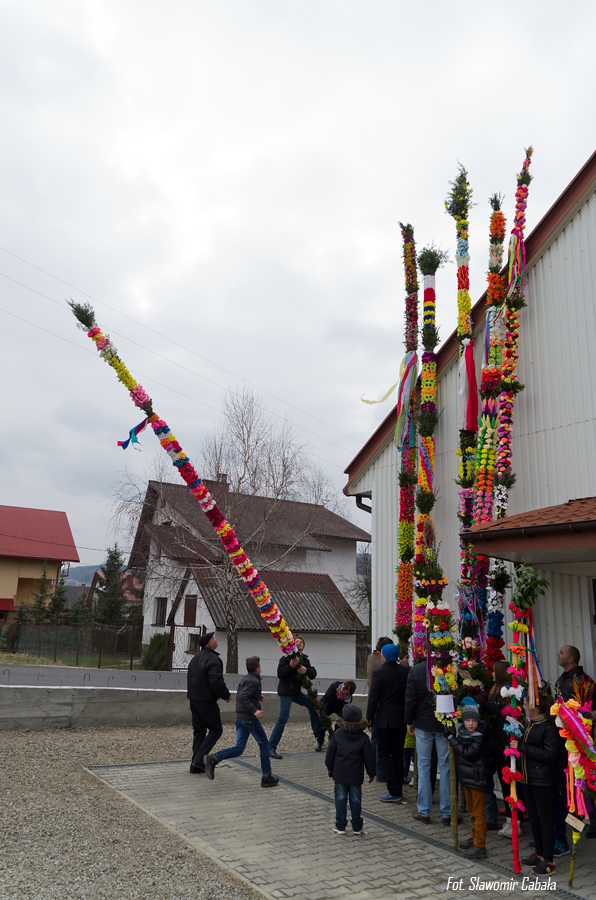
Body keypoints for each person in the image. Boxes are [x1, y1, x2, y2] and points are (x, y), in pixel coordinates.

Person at [203, 656, 279, 787]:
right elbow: (243, 697)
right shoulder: (253, 681)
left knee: (239, 749)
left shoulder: (246, 679)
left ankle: (214, 758)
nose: (260, 669)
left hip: (240, 718)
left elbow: (244, 695)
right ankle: (266, 776)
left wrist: (257, 697)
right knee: (264, 744)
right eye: (260, 666)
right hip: (249, 719)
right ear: (257, 669)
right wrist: (254, 710)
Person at [404, 654, 455, 826]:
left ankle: (424, 811)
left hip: (423, 723)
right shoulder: (449, 669)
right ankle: (447, 812)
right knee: (446, 767)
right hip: (444, 724)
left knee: (424, 766)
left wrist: (408, 721)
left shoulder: (416, 670)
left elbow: (410, 699)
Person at [555, 645, 596, 842]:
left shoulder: (583, 681)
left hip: (579, 743)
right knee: (569, 786)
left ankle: (593, 824)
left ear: (571, 659)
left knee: (584, 783)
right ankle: (574, 827)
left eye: (561, 653)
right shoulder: (561, 679)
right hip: (563, 741)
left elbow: (591, 712)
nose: (558, 654)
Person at [516, 692, 559, 877]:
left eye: (528, 706)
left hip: (543, 780)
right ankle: (539, 853)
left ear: (537, 709)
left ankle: (548, 861)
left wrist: (522, 747)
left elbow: (549, 754)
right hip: (528, 778)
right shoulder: (529, 723)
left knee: (544, 819)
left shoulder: (548, 727)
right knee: (533, 817)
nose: (526, 708)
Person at [446, 703, 492, 860]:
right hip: (468, 779)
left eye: (474, 720)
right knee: (472, 811)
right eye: (467, 720)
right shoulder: (463, 734)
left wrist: (452, 739)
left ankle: (480, 845)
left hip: (478, 779)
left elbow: (468, 753)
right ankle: (474, 837)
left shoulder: (480, 737)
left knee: (479, 813)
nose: (471, 724)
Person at [268, 635, 326, 759]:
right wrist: (291, 665)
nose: (299, 643)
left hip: (296, 692)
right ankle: (271, 747)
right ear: (292, 645)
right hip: (286, 692)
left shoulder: (304, 659)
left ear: (303, 647)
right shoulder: (285, 658)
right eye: (297, 641)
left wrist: (306, 670)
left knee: (312, 705)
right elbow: (280, 674)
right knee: (283, 718)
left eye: (301, 642)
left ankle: (317, 730)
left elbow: (313, 674)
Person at [366, 643, 409, 804]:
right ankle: (399, 787)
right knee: (398, 753)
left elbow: (373, 699)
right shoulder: (405, 671)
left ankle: (394, 790)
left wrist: (369, 719)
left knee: (384, 753)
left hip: (384, 720)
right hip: (401, 719)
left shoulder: (379, 673)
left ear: (384, 655)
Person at [325, 703, 376, 835]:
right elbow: (369, 757)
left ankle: (340, 825)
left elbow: (330, 753)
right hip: (356, 775)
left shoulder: (337, 734)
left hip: (340, 774)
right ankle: (357, 826)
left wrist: (329, 767)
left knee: (340, 799)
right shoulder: (363, 738)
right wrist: (371, 773)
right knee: (356, 800)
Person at [486, 660, 521, 837]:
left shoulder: (507, 697)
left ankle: (515, 822)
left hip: (505, 746)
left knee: (510, 785)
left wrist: (502, 744)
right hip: (497, 745)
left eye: (494, 671)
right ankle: (509, 819)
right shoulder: (494, 694)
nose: (492, 674)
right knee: (504, 783)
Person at [187, 631, 231, 774]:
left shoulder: (195, 658)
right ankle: (198, 760)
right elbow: (216, 682)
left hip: (194, 700)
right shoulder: (213, 659)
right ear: (209, 644)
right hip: (206, 701)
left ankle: (195, 766)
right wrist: (226, 695)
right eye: (213, 638)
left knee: (199, 732)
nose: (216, 639)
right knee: (216, 729)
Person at [366, 637, 394, 782]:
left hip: (375, 704)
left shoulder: (371, 657)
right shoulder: (378, 661)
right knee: (378, 741)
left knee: (375, 739)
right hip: (379, 705)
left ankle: (374, 768)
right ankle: (379, 770)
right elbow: (392, 665)